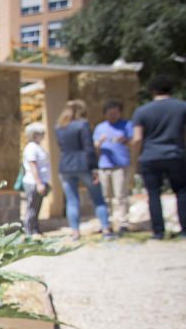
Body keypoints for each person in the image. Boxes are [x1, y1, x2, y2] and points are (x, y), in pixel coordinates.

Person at [130, 75, 186, 239]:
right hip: (175, 154)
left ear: (152, 91)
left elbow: (138, 138)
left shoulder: (142, 111)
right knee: (182, 192)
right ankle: (184, 230)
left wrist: (135, 159)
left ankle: (158, 231)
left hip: (150, 156)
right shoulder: (182, 107)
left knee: (153, 194)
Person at [55, 99, 112, 240]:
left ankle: (75, 232)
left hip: (65, 166)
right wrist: (94, 168)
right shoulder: (82, 125)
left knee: (72, 201)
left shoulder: (59, 127)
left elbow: (61, 147)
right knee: (98, 198)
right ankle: (106, 229)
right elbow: (89, 148)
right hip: (83, 164)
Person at [93, 99, 134, 234]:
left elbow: (134, 142)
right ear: (105, 114)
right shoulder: (100, 127)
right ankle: (106, 222)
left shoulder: (127, 125)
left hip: (120, 165)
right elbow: (95, 147)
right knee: (105, 196)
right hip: (104, 165)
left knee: (121, 195)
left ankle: (123, 222)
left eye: (115, 113)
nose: (113, 116)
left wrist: (125, 141)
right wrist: (99, 143)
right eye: (110, 113)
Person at [22, 122, 50, 236]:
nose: (43, 135)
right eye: (41, 133)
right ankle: (28, 231)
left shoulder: (38, 147)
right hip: (33, 182)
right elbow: (33, 166)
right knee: (31, 208)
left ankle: (35, 230)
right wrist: (39, 183)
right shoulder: (31, 148)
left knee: (37, 208)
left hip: (40, 181)